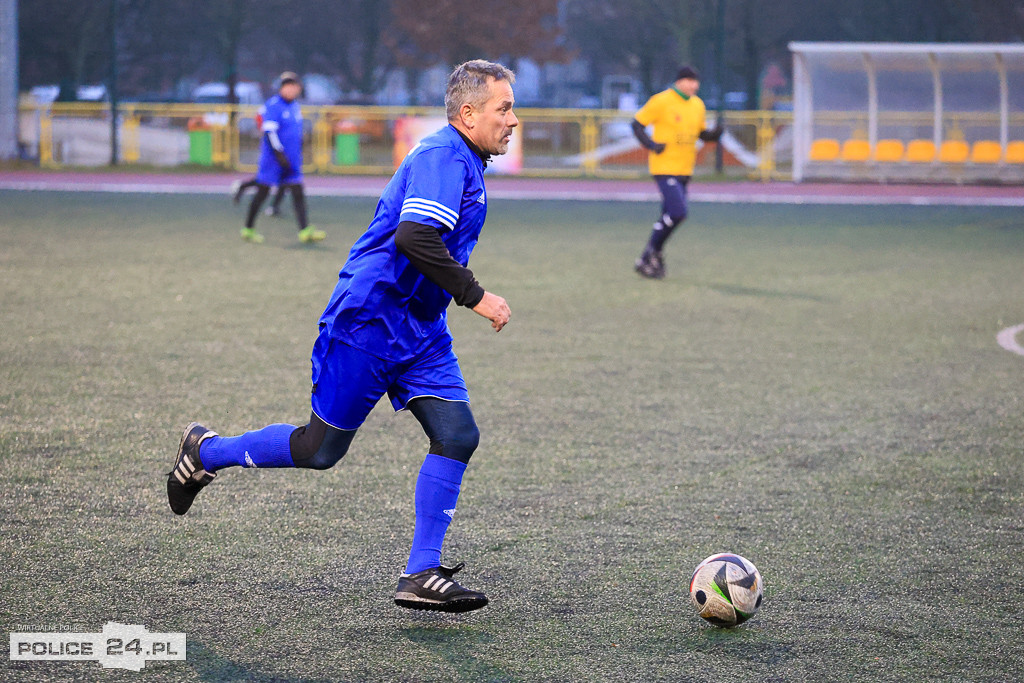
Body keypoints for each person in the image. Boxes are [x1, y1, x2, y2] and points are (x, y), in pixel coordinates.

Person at [167, 60, 518, 614]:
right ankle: (206, 450)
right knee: (319, 449)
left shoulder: (467, 162)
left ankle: (421, 572)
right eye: (504, 108)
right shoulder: (442, 157)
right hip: (369, 322)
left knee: (457, 434)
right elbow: (414, 237)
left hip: (420, 331)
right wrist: (475, 295)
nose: (513, 120)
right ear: (469, 113)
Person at [630, 65, 723, 279]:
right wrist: (652, 145)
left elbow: (700, 133)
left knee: (669, 215)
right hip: (664, 167)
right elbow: (636, 124)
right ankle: (650, 255)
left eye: (696, 81)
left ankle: (650, 257)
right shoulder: (662, 101)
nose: (694, 85)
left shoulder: (697, 105)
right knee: (678, 212)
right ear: (680, 81)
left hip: (684, 168)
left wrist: (714, 134)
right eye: (690, 80)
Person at [241, 71, 325, 244]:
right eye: (287, 86)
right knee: (262, 193)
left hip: (292, 160)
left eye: (293, 86)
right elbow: (269, 131)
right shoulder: (273, 105)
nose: (291, 89)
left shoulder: (295, 106)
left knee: (298, 192)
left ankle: (305, 231)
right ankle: (248, 228)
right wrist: (279, 153)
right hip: (274, 160)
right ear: (281, 88)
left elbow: (294, 132)